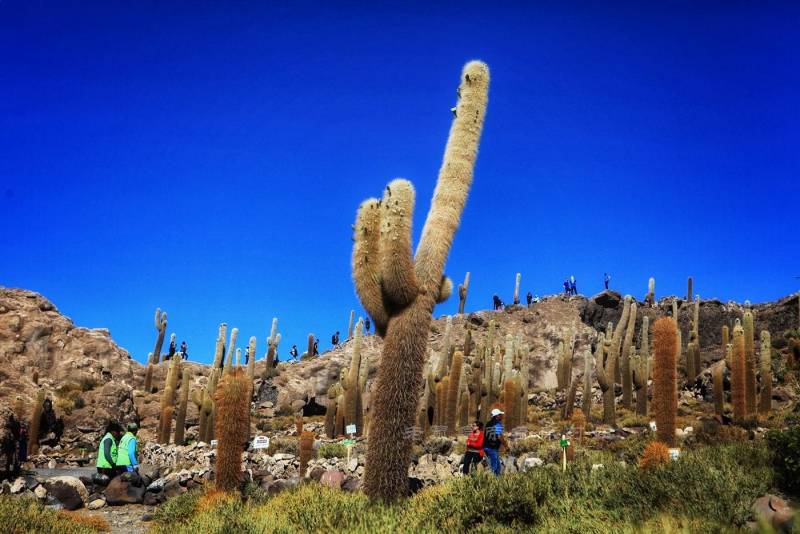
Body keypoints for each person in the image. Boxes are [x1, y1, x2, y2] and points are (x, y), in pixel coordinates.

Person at [483, 408, 507, 476]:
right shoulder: (497, 424)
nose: (501, 416)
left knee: (497, 466)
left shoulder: (488, 423)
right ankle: (491, 481)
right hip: (492, 448)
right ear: (497, 416)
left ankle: (496, 482)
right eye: (500, 415)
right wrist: (506, 446)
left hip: (486, 447)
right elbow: (499, 436)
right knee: (495, 467)